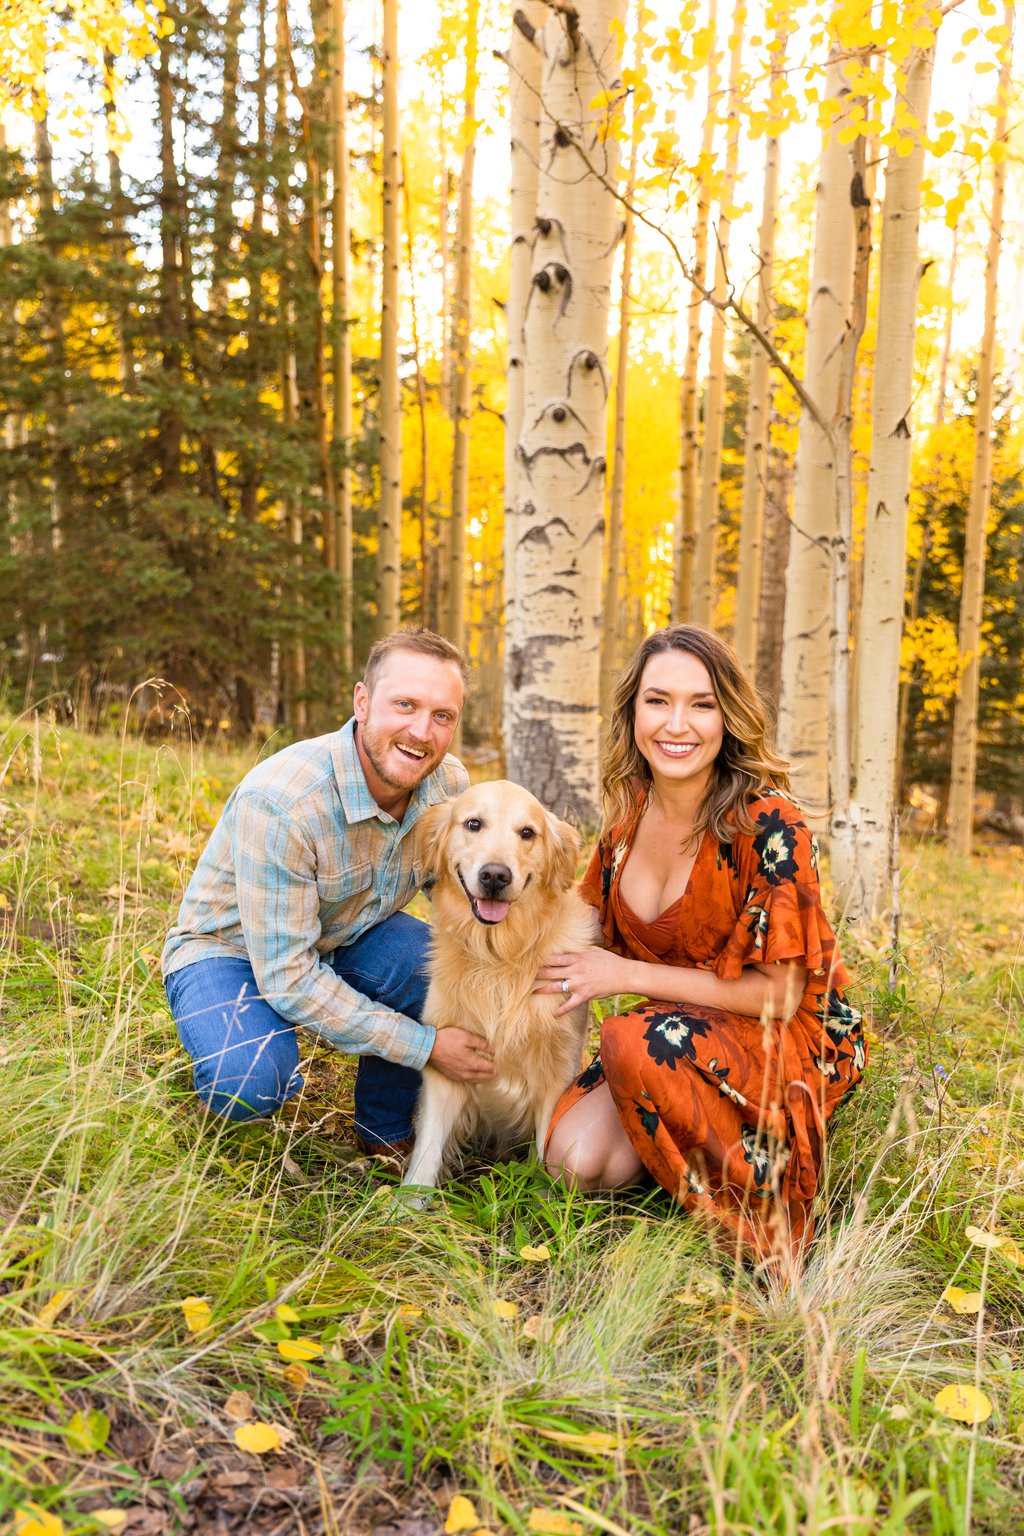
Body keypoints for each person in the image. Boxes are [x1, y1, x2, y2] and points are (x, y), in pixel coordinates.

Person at [539, 624, 866, 1265]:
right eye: (658, 700)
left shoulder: (771, 824)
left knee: (630, 1037)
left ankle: (768, 1210)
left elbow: (780, 995)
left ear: (728, 717)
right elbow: (579, 929)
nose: (677, 724)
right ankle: (695, 1141)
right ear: (633, 710)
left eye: (702, 703)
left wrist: (621, 975)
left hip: (790, 1036)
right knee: (573, 1162)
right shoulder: (628, 815)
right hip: (678, 1029)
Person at [162, 628, 495, 1157]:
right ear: (362, 702)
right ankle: (223, 1063)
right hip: (233, 953)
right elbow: (289, 977)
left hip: (346, 935)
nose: (421, 732)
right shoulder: (284, 803)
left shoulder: (447, 786)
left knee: (433, 967)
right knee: (249, 1081)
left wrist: (529, 959)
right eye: (404, 705)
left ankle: (386, 1131)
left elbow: (456, 896)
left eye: (442, 716)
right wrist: (428, 1047)